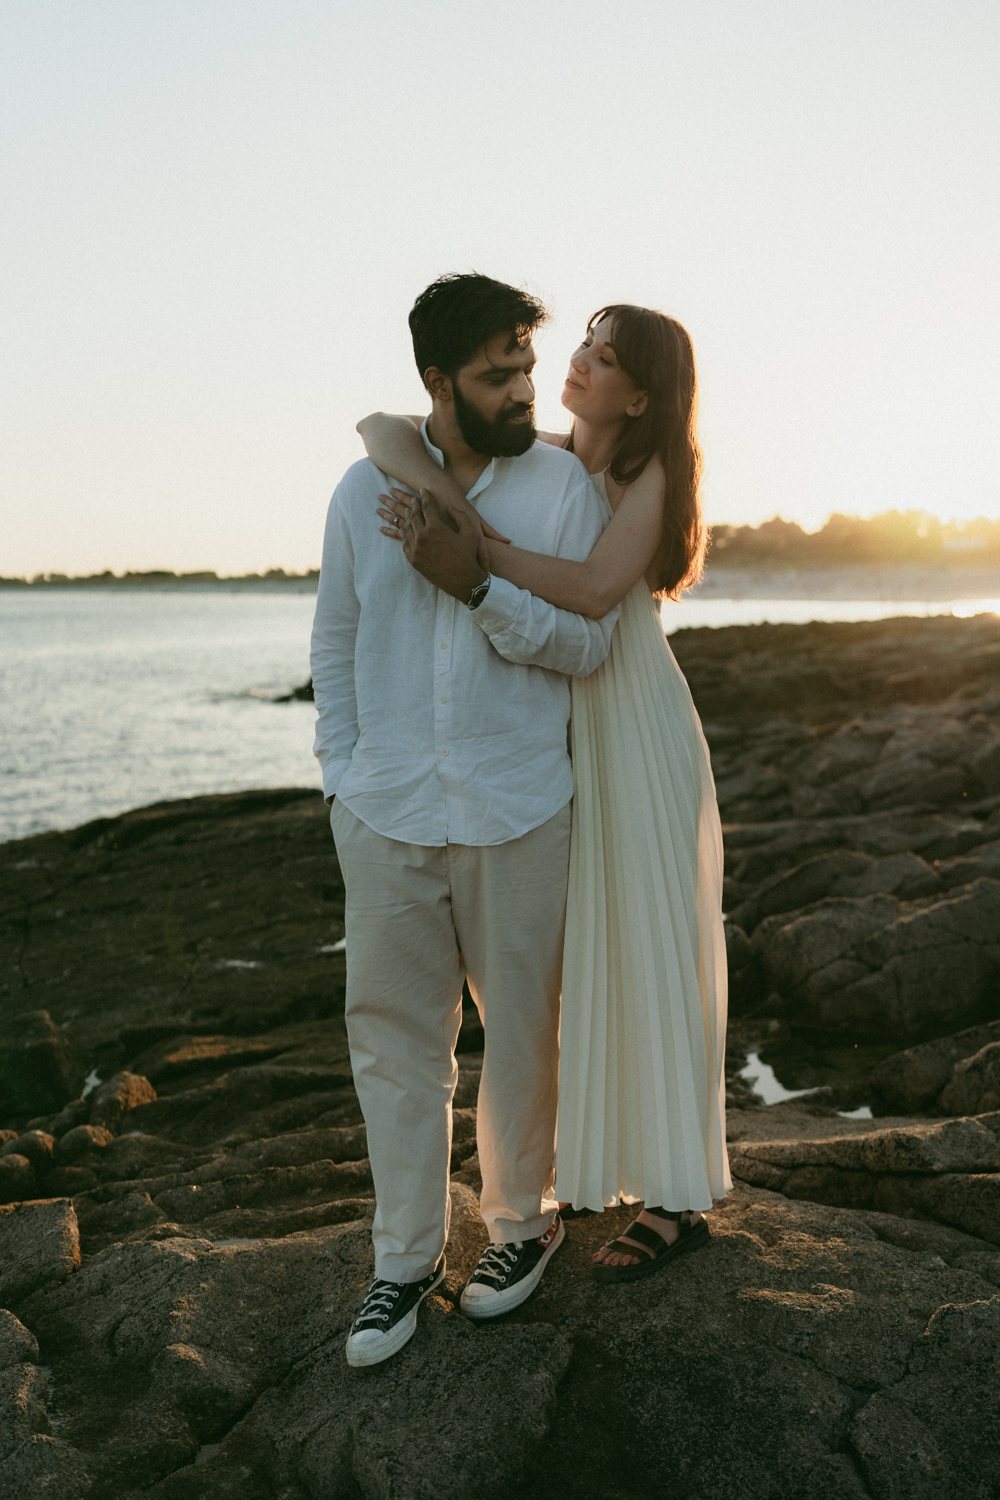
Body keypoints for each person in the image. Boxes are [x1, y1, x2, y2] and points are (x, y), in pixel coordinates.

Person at [359, 301, 731, 1283]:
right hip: (568, 731)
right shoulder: (558, 459)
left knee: (654, 945)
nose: (572, 365)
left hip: (637, 725)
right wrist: (440, 486)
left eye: (600, 359)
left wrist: (468, 551)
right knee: (589, 961)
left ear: (640, 393)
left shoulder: (650, 473)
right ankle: (605, 1168)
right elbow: (380, 430)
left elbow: (593, 589)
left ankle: (681, 1197)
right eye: (580, 348)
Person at [310, 273, 618, 1368]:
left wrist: (478, 590)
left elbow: (591, 645)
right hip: (386, 808)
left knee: (523, 1030)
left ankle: (519, 1228)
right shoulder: (361, 491)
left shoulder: (561, 491)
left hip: (517, 802)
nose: (525, 388)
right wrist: (341, 774)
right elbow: (335, 644)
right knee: (392, 1045)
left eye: (528, 366)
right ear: (436, 380)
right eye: (498, 373)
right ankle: (400, 1265)